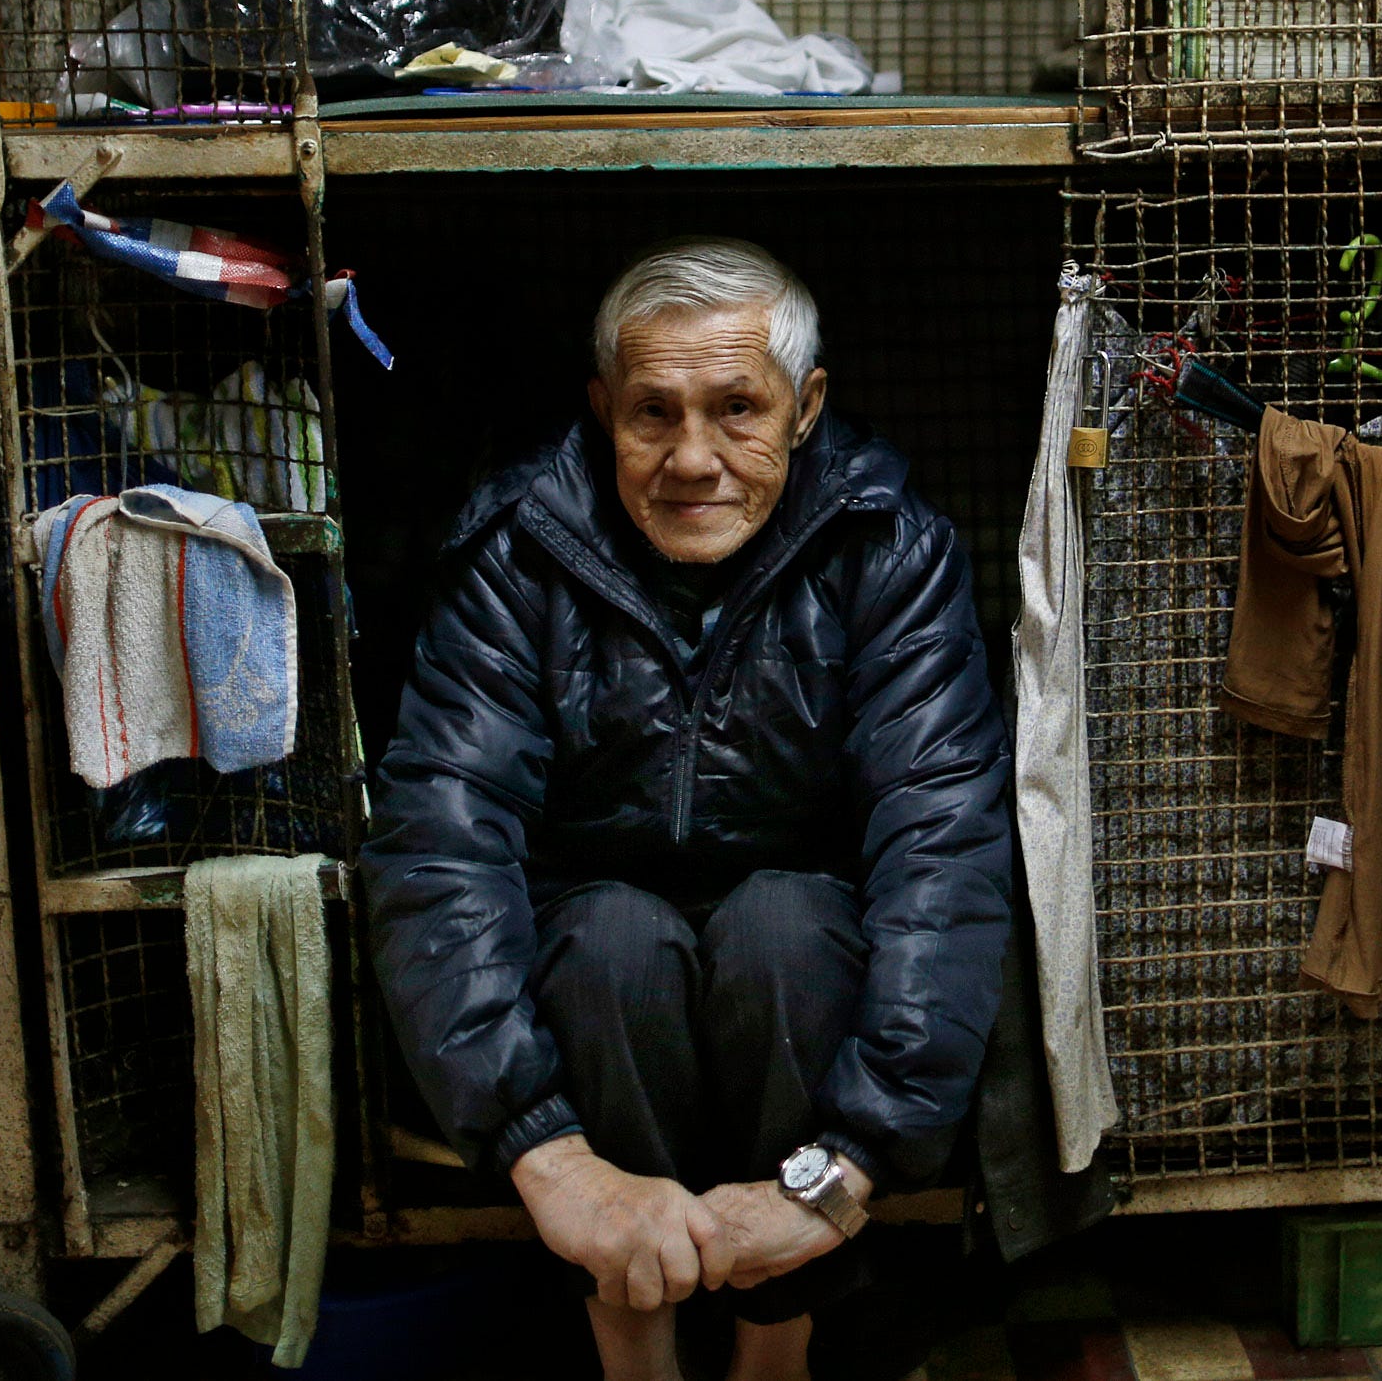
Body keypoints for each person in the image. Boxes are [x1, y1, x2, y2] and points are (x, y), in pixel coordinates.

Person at [362, 237, 1014, 1381]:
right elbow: (441, 839)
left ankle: (777, 1349)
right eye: (652, 413)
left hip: (799, 976)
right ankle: (635, 1349)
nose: (693, 458)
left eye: (736, 409)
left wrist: (849, 1163)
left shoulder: (886, 546)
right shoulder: (518, 545)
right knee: (611, 936)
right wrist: (546, 1154)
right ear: (601, 407)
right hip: (593, 973)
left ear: (807, 408)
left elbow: (942, 846)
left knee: (784, 928)